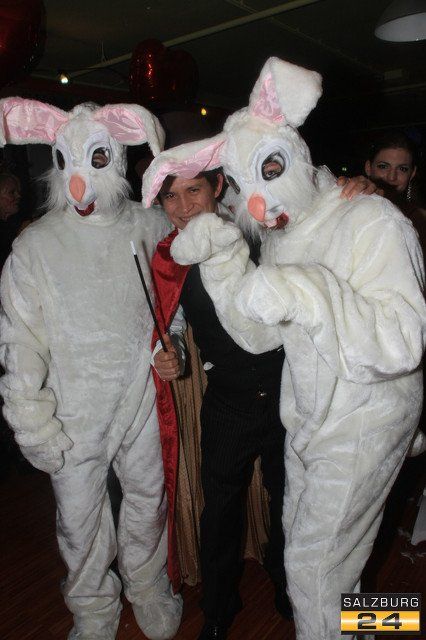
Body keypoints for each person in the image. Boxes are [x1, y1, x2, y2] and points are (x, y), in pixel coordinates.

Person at [143, 57, 426, 640]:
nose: (257, 201)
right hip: (304, 419)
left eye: (268, 169)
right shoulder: (279, 234)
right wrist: (225, 262)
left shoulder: (372, 219)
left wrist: (305, 288)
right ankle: (400, 624)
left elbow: (402, 343)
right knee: (317, 559)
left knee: (312, 571)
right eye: (247, 181)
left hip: (365, 422)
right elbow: (259, 335)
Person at [149, 165, 378, 640]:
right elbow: (171, 323)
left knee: (293, 503)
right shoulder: (172, 257)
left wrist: (352, 189)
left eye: (194, 189)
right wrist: (168, 355)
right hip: (227, 403)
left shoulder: (262, 228)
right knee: (219, 513)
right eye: (171, 196)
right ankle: (218, 609)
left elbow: (321, 221)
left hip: (288, 395)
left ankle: (289, 586)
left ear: (217, 186)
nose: (184, 206)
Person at [0, 98, 182, 640]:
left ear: (117, 158)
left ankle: (147, 583)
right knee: (79, 518)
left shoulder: (151, 225)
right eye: (67, 161)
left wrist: (171, 344)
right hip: (72, 408)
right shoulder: (35, 245)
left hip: (141, 396)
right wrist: (31, 417)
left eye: (97, 158)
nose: (79, 181)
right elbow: (19, 338)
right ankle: (92, 606)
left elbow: (174, 304)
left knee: (148, 501)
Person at [364, 130, 426, 253]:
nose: (392, 177)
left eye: (402, 169)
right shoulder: (350, 202)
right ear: (368, 168)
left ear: (412, 173)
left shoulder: (421, 220)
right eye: (383, 166)